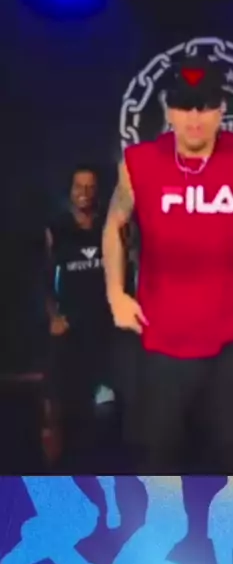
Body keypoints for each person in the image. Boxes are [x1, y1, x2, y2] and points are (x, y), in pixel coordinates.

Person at [102, 60, 233, 475]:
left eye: (204, 106)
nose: (194, 118)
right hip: (163, 334)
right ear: (168, 110)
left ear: (222, 108)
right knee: (158, 459)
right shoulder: (138, 162)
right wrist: (115, 293)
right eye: (184, 106)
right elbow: (114, 223)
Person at [45, 165, 115, 466]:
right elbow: (43, 278)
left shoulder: (109, 226)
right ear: (70, 191)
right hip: (70, 329)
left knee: (106, 409)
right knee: (65, 405)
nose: (84, 193)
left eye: (90, 187)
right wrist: (53, 316)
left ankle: (103, 468)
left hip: (105, 327)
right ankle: (59, 471)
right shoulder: (57, 229)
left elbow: (126, 272)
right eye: (78, 187)